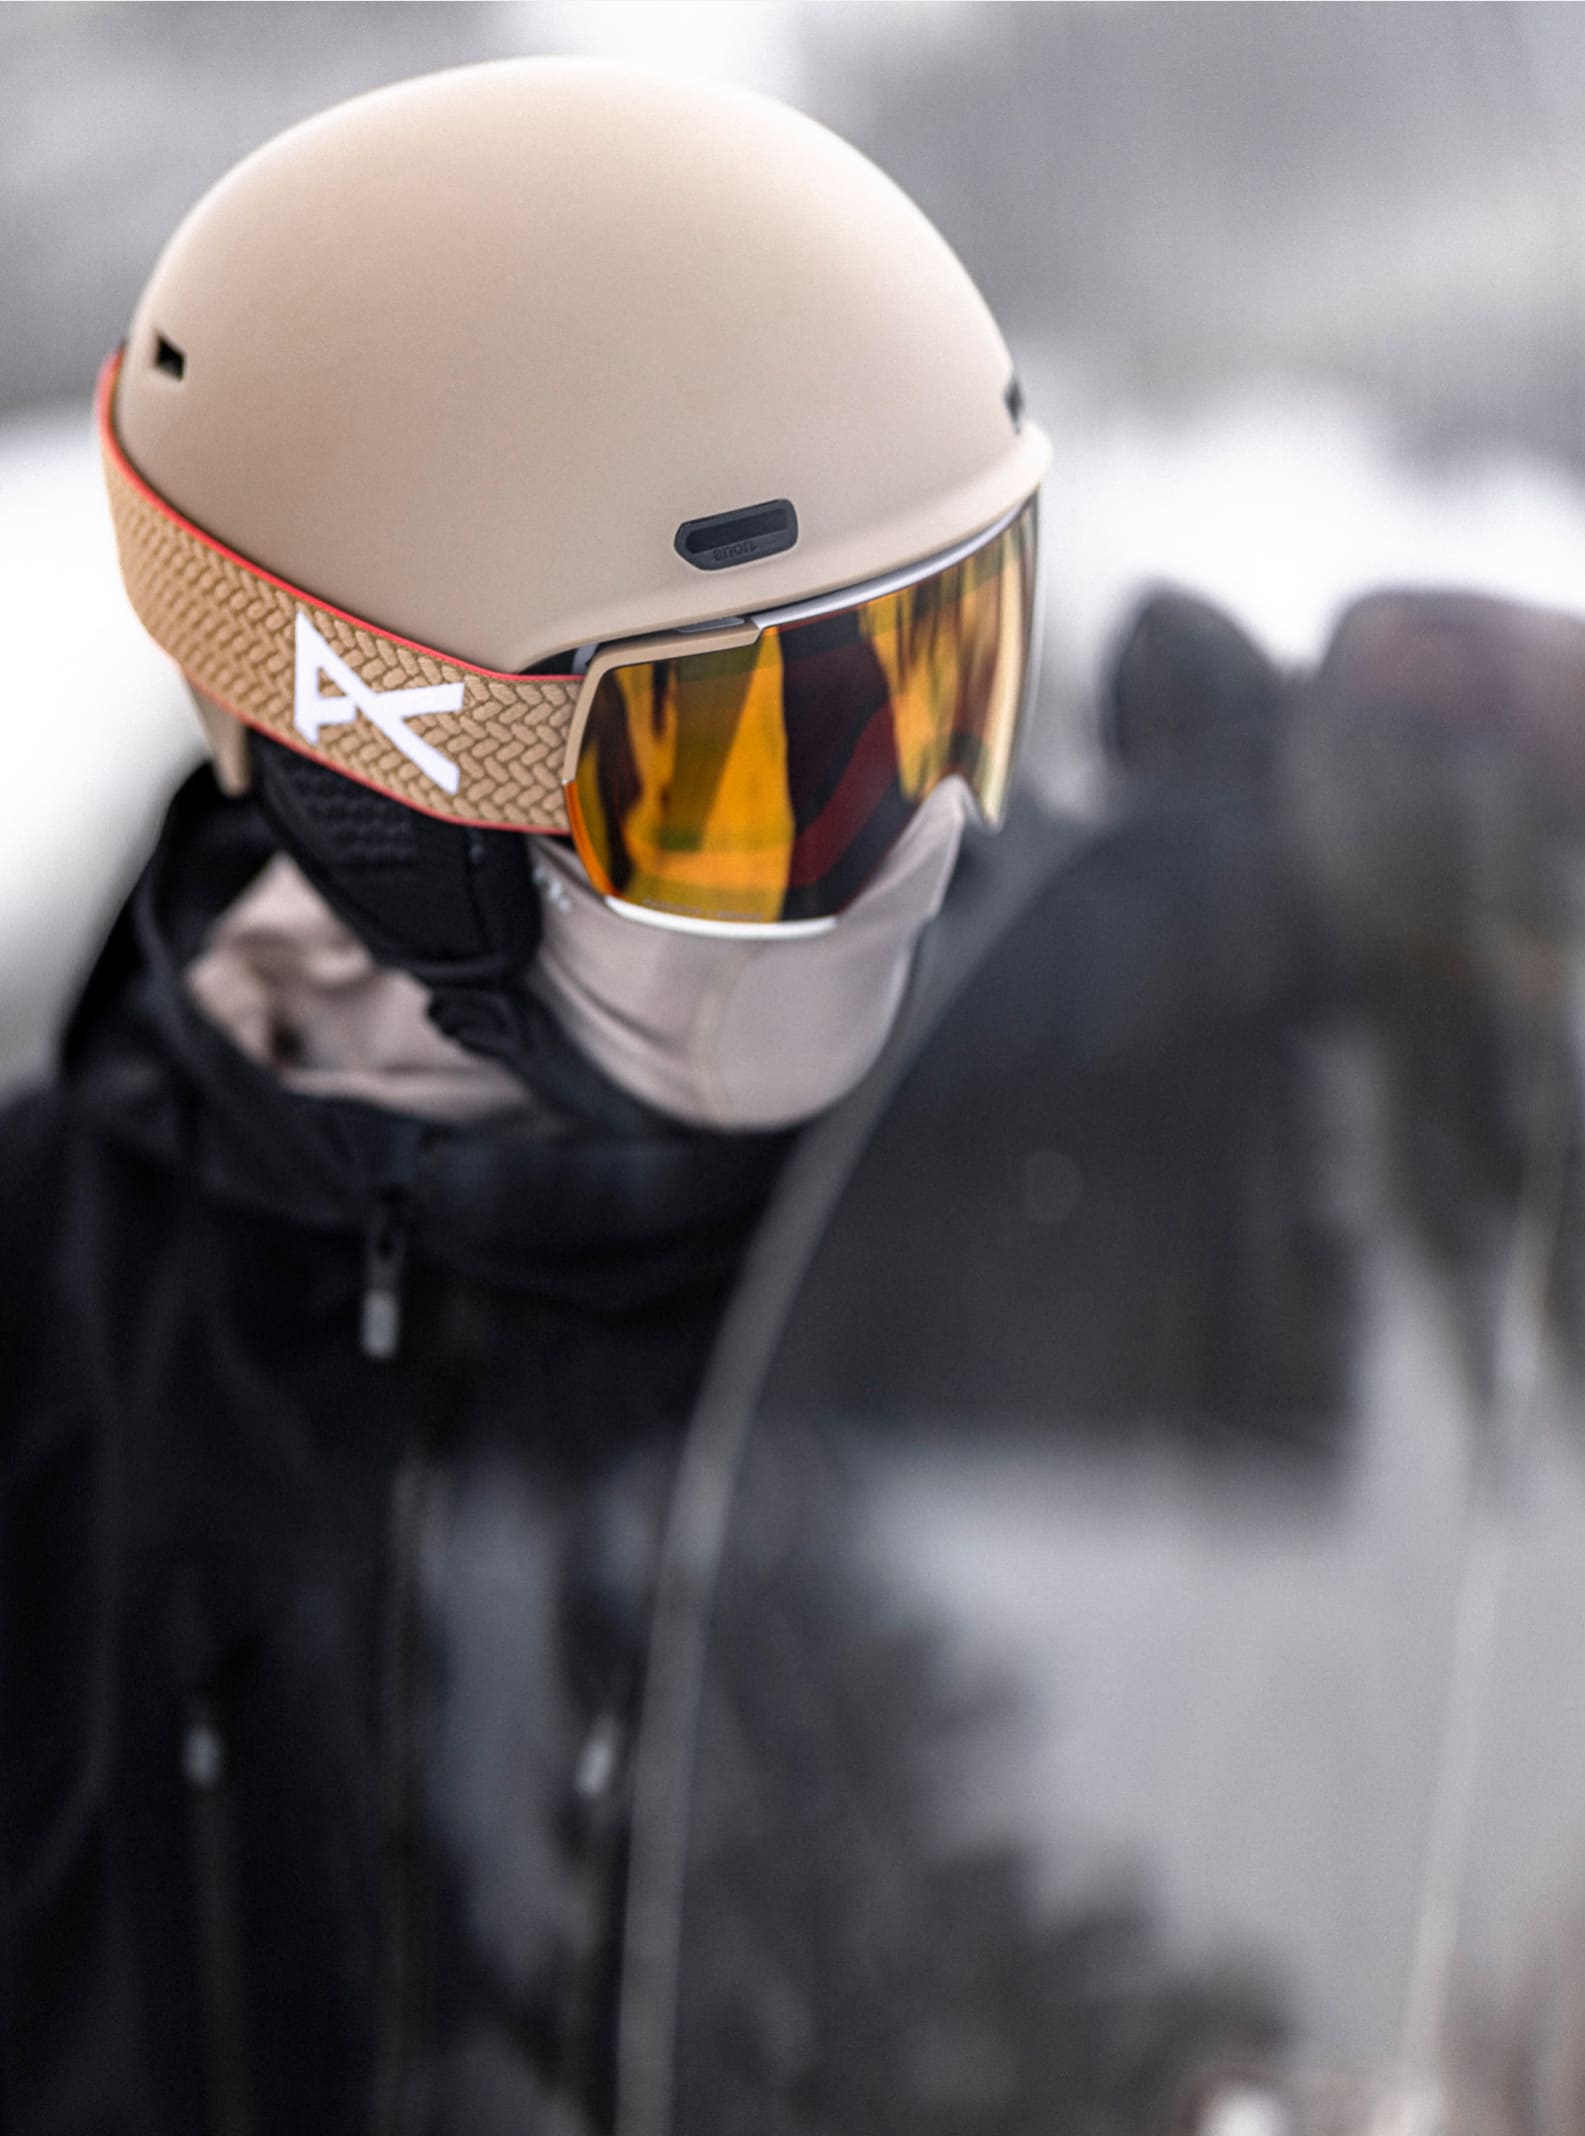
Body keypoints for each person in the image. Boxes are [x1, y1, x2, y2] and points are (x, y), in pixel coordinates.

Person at [0, 57, 1049, 2136]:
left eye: (960, 671)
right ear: (393, 776)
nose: (912, 848)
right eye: (761, 769)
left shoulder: (1065, 1184)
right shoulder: (53, 1324)